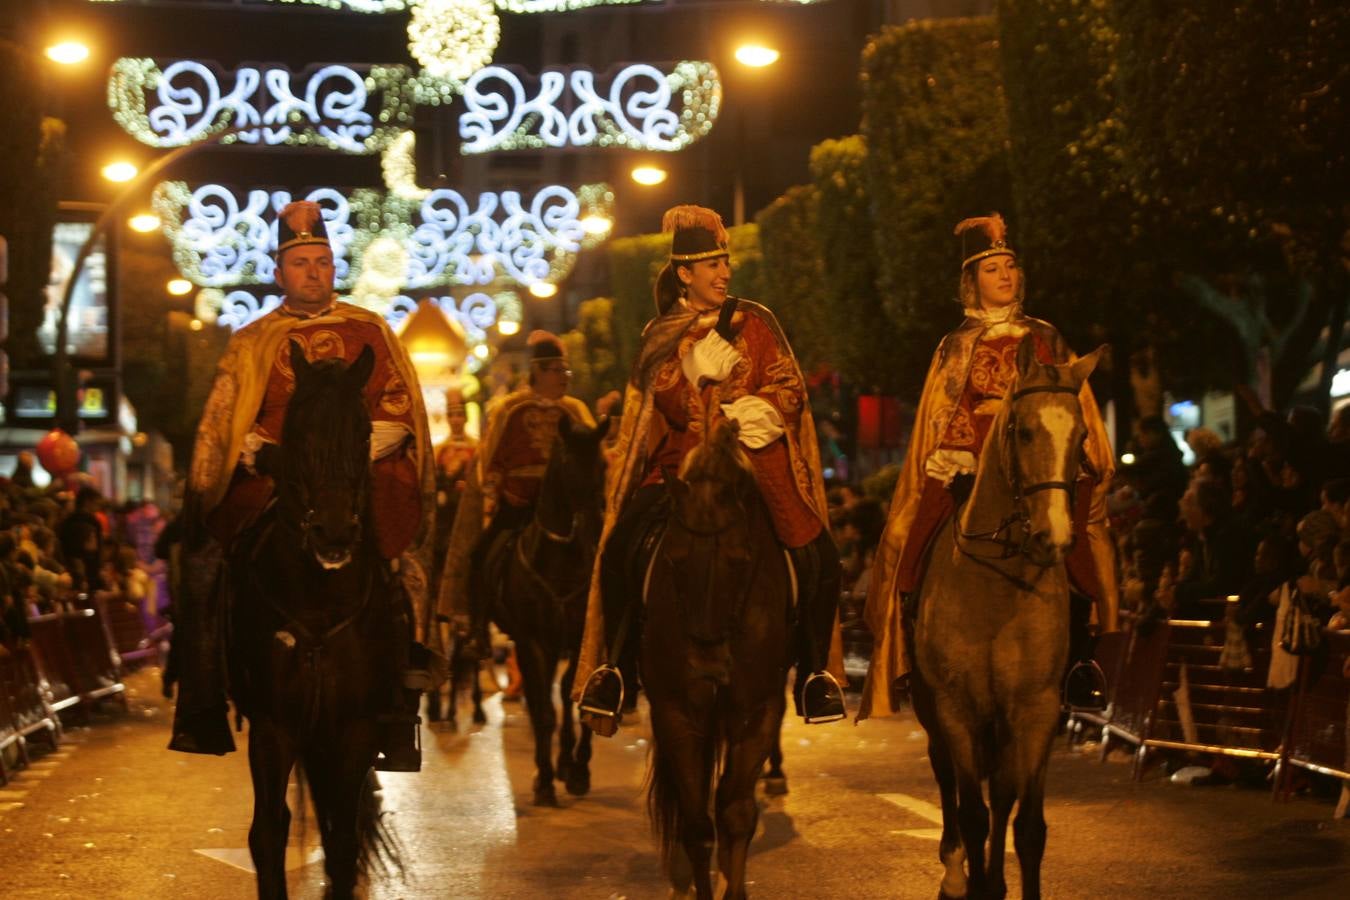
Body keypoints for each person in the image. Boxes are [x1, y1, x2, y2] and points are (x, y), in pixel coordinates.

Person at [169, 200, 435, 771]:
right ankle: (203, 693)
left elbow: (398, 409)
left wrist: (341, 456)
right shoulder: (254, 340)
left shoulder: (370, 330)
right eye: (300, 263)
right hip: (273, 476)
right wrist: (256, 451)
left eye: (322, 262)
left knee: (405, 558)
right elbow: (227, 421)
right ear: (279, 272)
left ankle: (402, 691)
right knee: (205, 558)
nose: (313, 273)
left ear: (334, 267)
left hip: (359, 473)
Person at [576, 204, 847, 732]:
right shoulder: (661, 333)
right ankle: (617, 668)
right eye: (712, 265)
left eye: (725, 263)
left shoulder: (758, 322)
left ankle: (814, 673)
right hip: (682, 468)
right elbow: (659, 402)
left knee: (821, 556)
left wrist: (761, 408)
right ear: (685, 274)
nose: (724, 274)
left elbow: (788, 385)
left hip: (756, 463)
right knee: (621, 549)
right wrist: (690, 376)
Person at [859, 213, 1120, 721]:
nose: (1005, 275)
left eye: (1010, 266)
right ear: (971, 281)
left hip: (1039, 464)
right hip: (969, 462)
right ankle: (911, 643)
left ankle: (1083, 661)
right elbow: (944, 410)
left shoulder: (1046, 336)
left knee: (1079, 545)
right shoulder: (955, 344)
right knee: (906, 541)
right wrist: (961, 444)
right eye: (992, 268)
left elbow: (1069, 401)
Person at [437, 331, 595, 657]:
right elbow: (490, 457)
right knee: (481, 553)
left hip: (563, 509)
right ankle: (477, 628)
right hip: (518, 504)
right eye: (557, 370)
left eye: (566, 371)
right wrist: (496, 489)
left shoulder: (576, 411)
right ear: (538, 371)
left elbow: (592, 457)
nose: (564, 378)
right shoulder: (509, 409)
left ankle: (600, 628)